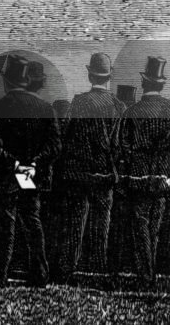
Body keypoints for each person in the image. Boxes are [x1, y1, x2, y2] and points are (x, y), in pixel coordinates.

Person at [0, 54, 61, 287]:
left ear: (7, 81)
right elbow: (55, 145)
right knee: (33, 224)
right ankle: (39, 275)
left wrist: (15, 164)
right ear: (27, 81)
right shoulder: (46, 108)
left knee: (4, 229)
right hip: (33, 174)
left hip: (5, 176)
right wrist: (35, 163)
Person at [51, 52, 123, 284]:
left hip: (80, 174)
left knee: (75, 225)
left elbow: (66, 134)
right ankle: (97, 270)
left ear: (90, 74)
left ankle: (67, 270)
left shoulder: (79, 101)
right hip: (105, 173)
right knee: (102, 225)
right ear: (108, 77)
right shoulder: (118, 105)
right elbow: (120, 143)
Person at [119, 56, 170, 287]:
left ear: (144, 83)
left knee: (140, 230)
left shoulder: (132, 112)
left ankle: (145, 276)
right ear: (160, 84)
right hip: (162, 178)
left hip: (138, 178)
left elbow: (124, 146)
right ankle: (149, 276)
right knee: (154, 229)